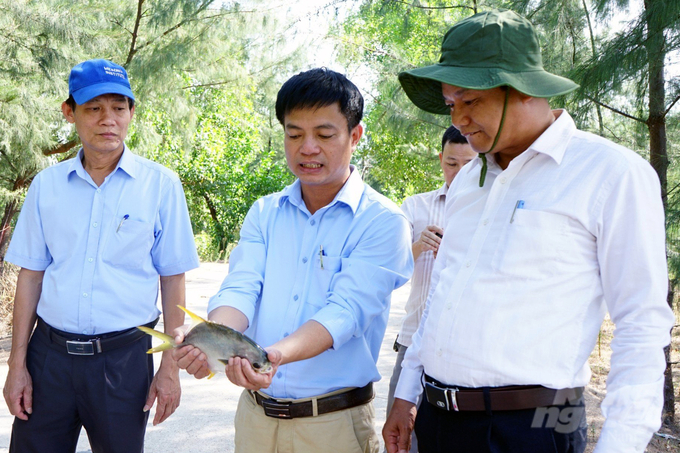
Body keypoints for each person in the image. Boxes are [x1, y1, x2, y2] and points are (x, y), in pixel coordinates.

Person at [383, 9, 674, 453]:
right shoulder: (467, 179)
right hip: (440, 423)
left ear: (522, 88)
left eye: (469, 100)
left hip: (534, 429)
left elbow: (640, 322)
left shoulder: (610, 174)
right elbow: (443, 295)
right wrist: (406, 395)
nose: (457, 118)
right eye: (450, 104)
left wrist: (620, 443)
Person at [174, 68, 413, 453]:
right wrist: (211, 340)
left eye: (324, 134)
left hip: (333, 427)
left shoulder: (383, 222)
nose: (308, 148)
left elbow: (345, 312)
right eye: (294, 134)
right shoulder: (265, 212)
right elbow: (242, 286)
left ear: (355, 136)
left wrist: (270, 358)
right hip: (255, 420)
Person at [3, 59, 200, 453]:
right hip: (49, 360)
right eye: (94, 108)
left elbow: (172, 277)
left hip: (123, 363)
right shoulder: (47, 186)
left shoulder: (160, 186)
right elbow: (31, 276)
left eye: (119, 108)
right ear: (70, 112)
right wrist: (17, 364)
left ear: (130, 113)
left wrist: (170, 368)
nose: (108, 119)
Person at [385, 126, 476, 453]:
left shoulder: (491, 211)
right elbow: (388, 269)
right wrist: (418, 245)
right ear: (440, 159)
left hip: (467, 352)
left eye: (469, 164)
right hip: (413, 344)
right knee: (400, 440)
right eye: (452, 163)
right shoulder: (415, 207)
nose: (460, 172)